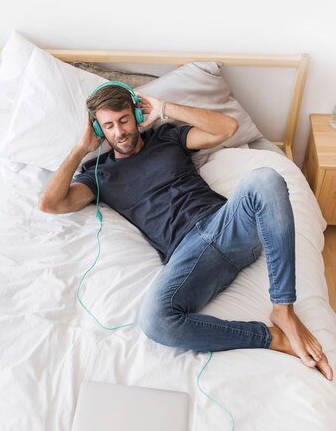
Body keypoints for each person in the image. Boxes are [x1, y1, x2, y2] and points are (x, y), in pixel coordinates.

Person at [38, 84, 333, 381]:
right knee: (155, 322)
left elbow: (228, 128)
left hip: (226, 227)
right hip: (189, 257)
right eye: (109, 126)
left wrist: (164, 108)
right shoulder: (99, 173)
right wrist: (81, 148)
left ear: (136, 114)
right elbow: (50, 203)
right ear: (99, 130)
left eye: (124, 120)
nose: (119, 132)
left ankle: (283, 309)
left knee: (267, 179)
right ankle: (272, 338)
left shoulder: (166, 136)